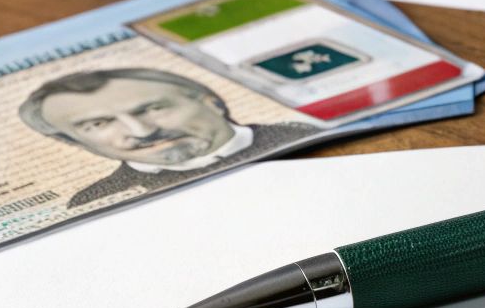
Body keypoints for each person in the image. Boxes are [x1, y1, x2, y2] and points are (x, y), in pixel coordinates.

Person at [18, 67, 311, 207]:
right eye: (98, 124)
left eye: (154, 108)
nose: (143, 131)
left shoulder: (309, 137)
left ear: (212, 102)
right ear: (74, 143)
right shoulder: (93, 201)